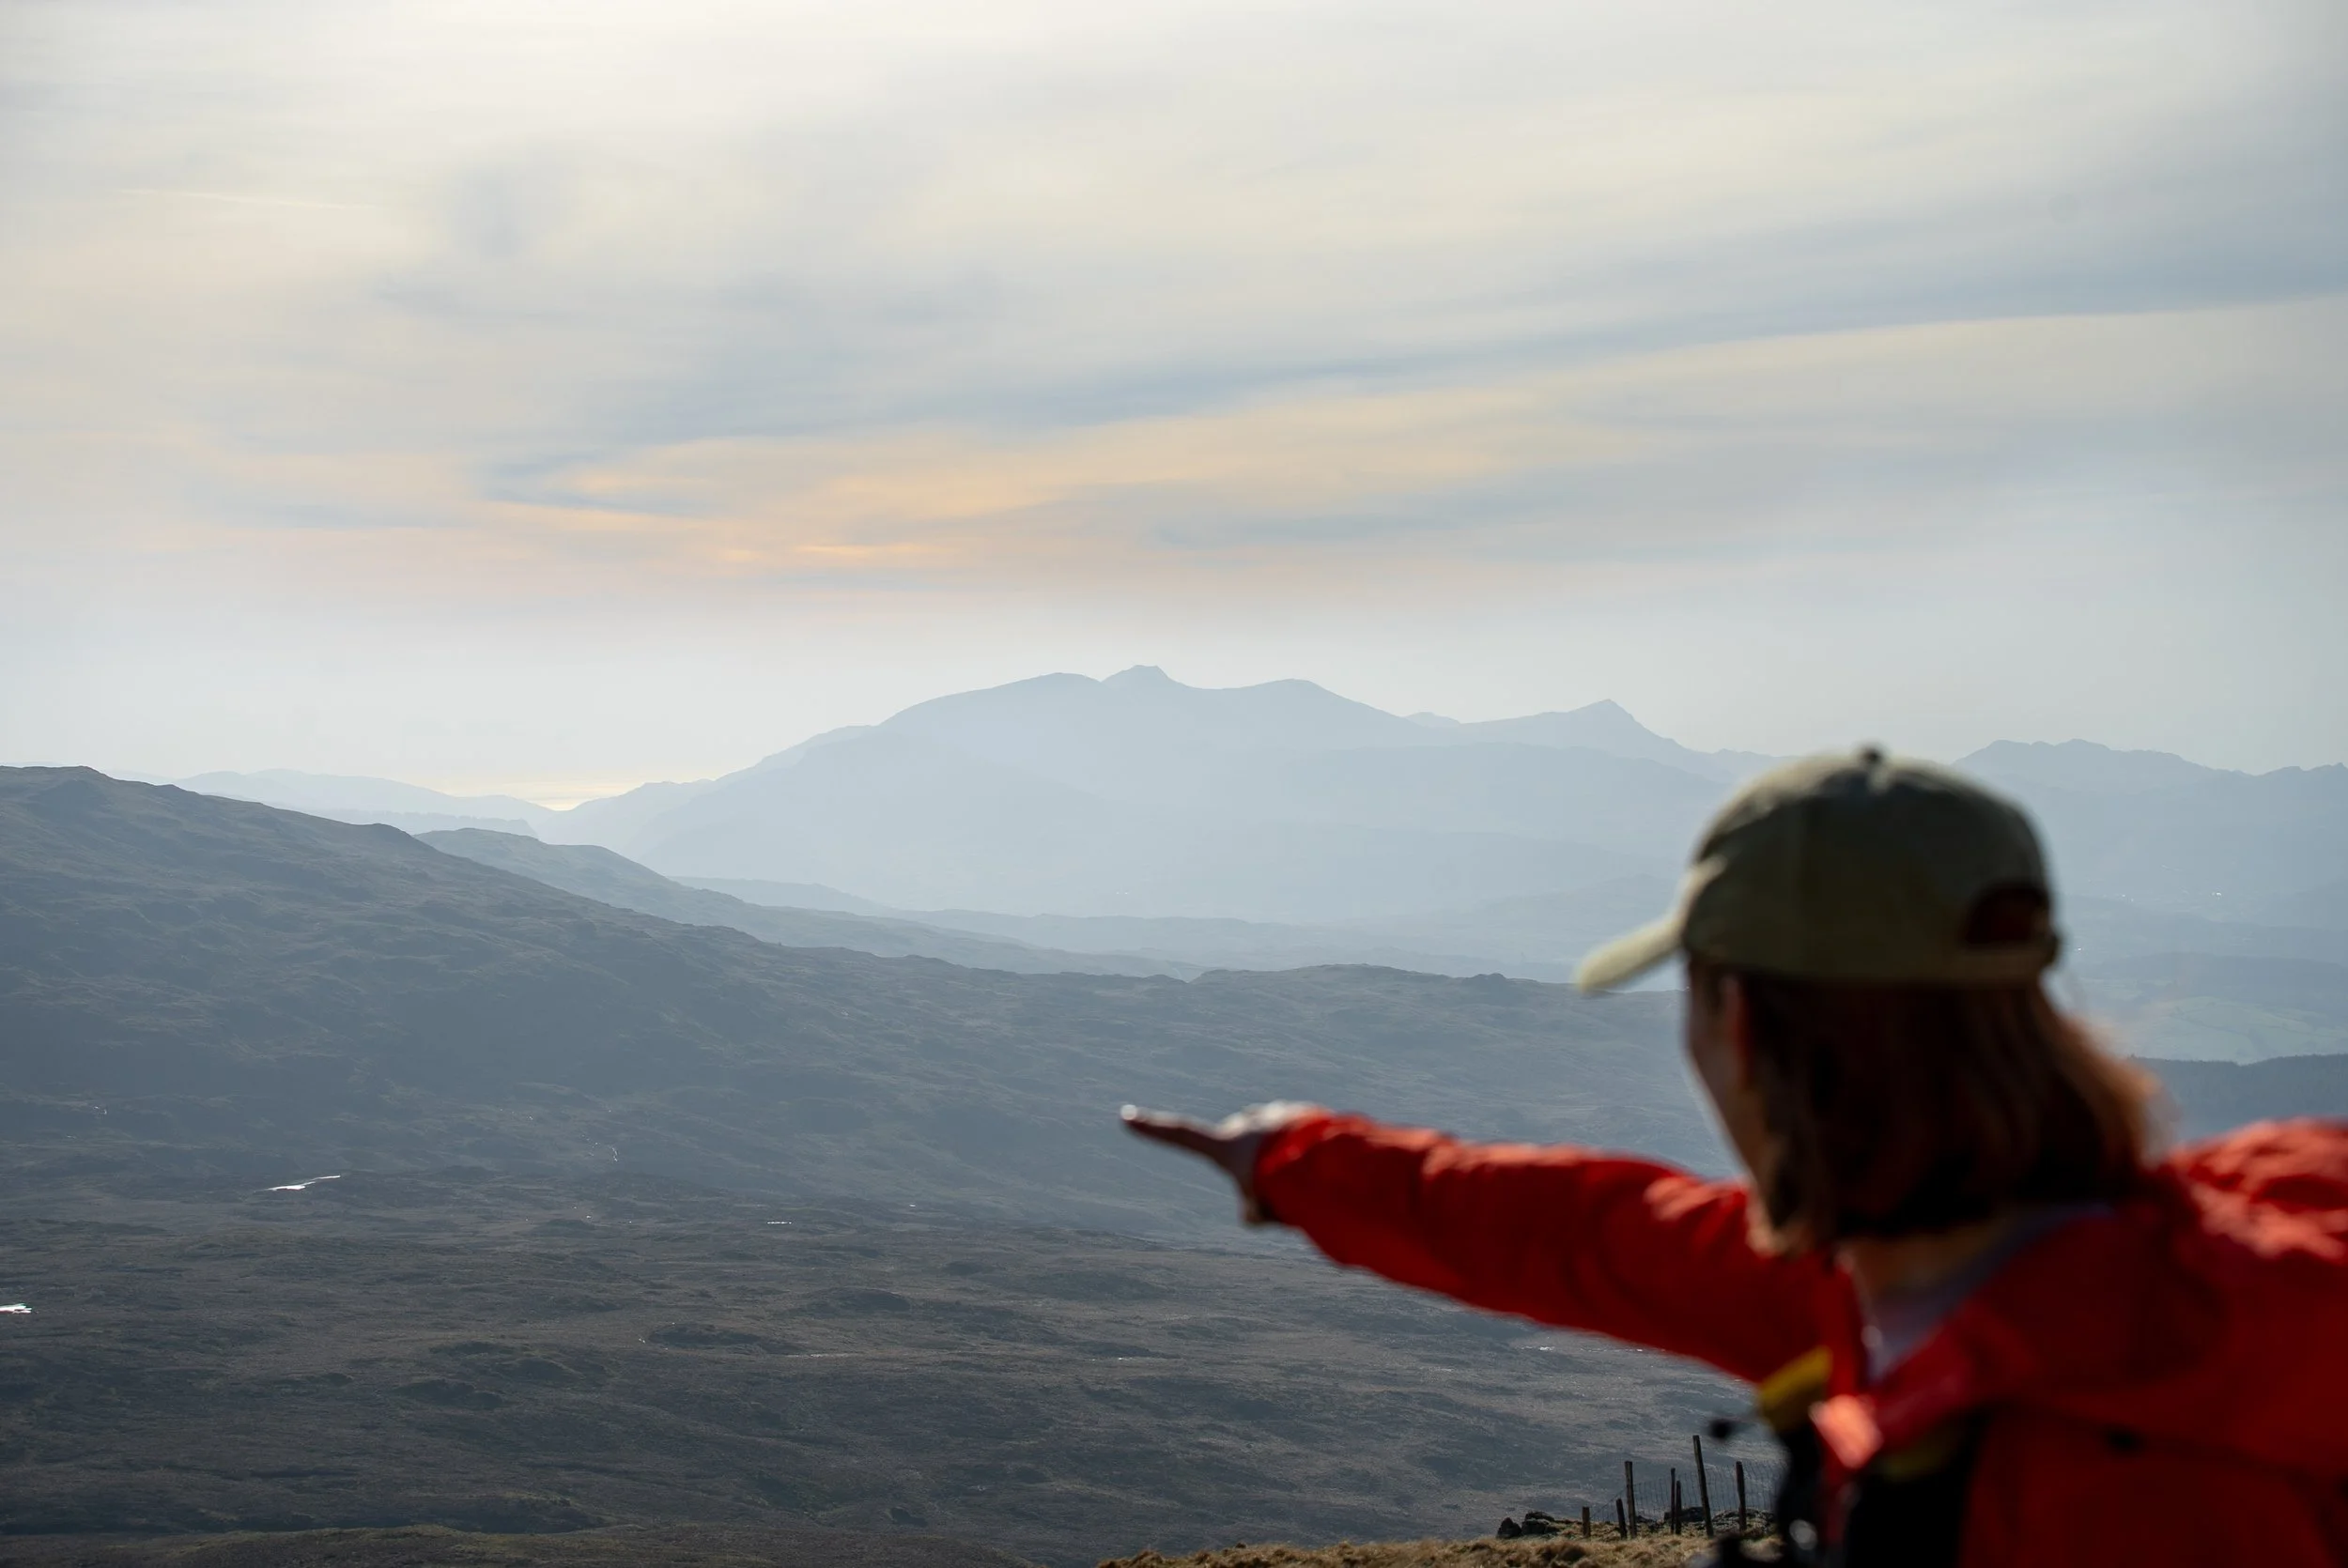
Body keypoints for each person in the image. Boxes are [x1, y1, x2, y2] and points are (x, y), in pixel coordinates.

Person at [1122, 748, 2348, 1567]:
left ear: (1742, 1029)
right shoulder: (1966, 1276)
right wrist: (1294, 1160)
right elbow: (1598, 1233)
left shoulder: (2101, 1473)